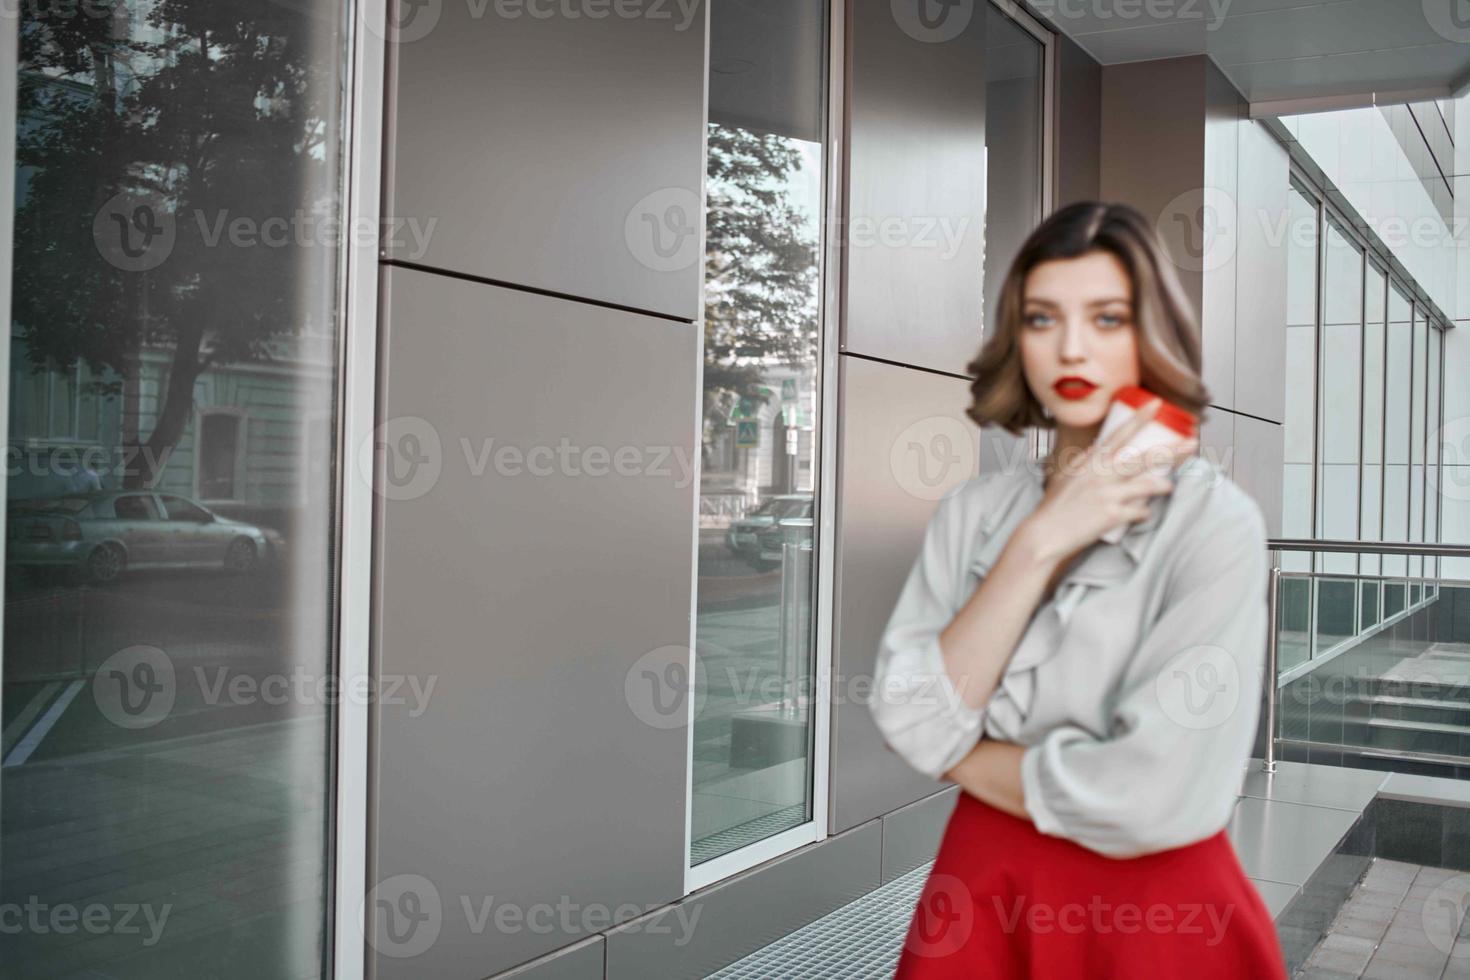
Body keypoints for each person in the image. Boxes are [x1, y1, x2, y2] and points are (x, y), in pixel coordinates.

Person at [871, 201, 1287, 978]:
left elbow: (1159, 793)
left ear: (1149, 336)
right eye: (1040, 318)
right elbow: (905, 712)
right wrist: (1042, 539)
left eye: (1105, 318)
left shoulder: (1214, 521)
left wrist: (963, 754)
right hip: (982, 886)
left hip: (1155, 910)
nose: (1070, 347)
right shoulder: (975, 513)